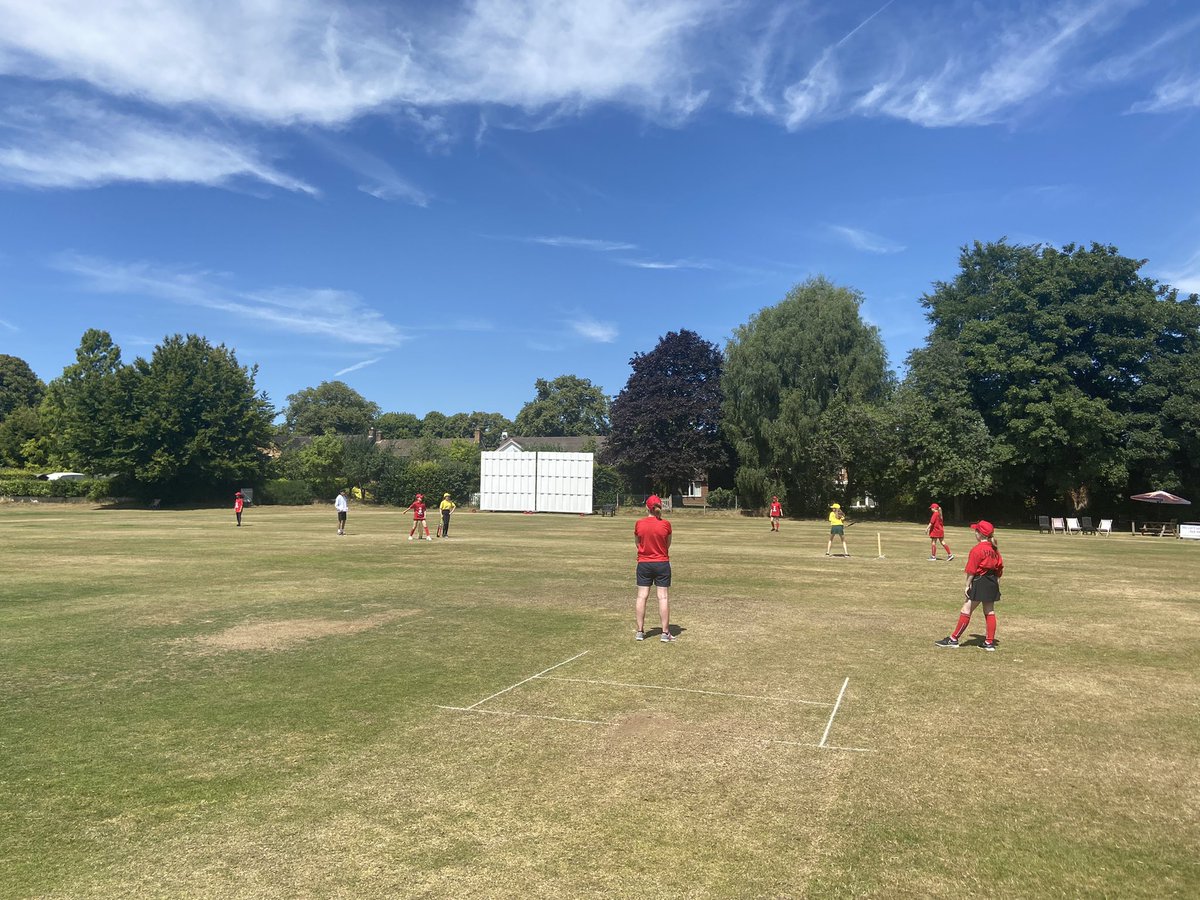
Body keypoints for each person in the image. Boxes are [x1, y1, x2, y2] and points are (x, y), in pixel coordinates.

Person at [935, 520, 1003, 651]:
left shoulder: (977, 549)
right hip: (992, 581)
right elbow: (999, 568)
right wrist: (996, 584)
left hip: (980, 581)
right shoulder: (995, 549)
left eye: (976, 531)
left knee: (966, 609)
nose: (975, 533)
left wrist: (967, 585)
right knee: (989, 611)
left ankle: (953, 639)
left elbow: (971, 570)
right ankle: (989, 642)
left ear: (980, 534)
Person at [633, 494, 675, 643]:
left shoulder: (639, 524)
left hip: (644, 563)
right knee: (663, 597)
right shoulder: (666, 524)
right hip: (662, 563)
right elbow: (667, 544)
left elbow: (637, 543)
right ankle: (665, 633)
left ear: (647, 507)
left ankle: (640, 631)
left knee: (641, 596)